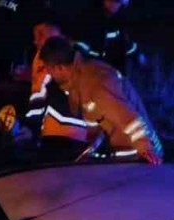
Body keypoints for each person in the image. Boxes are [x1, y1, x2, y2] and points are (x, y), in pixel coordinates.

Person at [36, 35, 162, 163]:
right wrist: (91, 145)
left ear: (60, 67)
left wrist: (145, 148)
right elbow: (97, 119)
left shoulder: (95, 81)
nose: (48, 73)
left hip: (137, 151)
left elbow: (127, 118)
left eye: (49, 68)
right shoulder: (78, 84)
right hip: (123, 147)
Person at [24, 13, 92, 161]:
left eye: (41, 34)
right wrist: (30, 127)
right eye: (35, 35)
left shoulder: (82, 53)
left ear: (59, 32)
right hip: (55, 139)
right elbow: (38, 94)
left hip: (71, 140)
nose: (36, 41)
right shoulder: (41, 57)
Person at [75, 0, 141, 75]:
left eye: (118, 3)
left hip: (114, 70)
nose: (114, 5)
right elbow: (80, 44)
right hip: (92, 67)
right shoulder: (89, 17)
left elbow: (128, 44)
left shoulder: (122, 20)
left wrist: (138, 57)